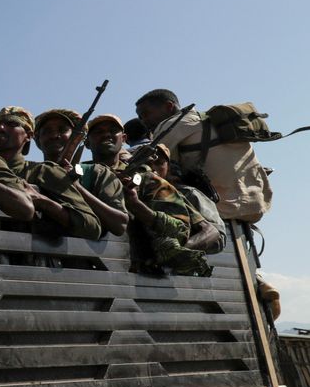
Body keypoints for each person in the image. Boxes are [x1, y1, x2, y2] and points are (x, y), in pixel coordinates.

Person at [135, 88, 271, 222]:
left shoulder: (171, 125)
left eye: (146, 114)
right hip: (257, 205)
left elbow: (153, 165)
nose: (143, 121)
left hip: (217, 209)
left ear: (169, 106)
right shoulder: (217, 122)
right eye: (140, 117)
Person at [122, 143, 213, 276]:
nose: (152, 167)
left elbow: (211, 231)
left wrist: (177, 252)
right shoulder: (126, 181)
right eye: (146, 162)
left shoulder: (177, 194)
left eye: (159, 163)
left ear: (168, 168)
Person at [35, 109, 127, 237]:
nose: (54, 135)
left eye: (62, 130)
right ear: (37, 140)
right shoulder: (31, 173)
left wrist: (76, 186)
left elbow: (119, 225)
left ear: (76, 138)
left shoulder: (97, 173)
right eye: (47, 131)